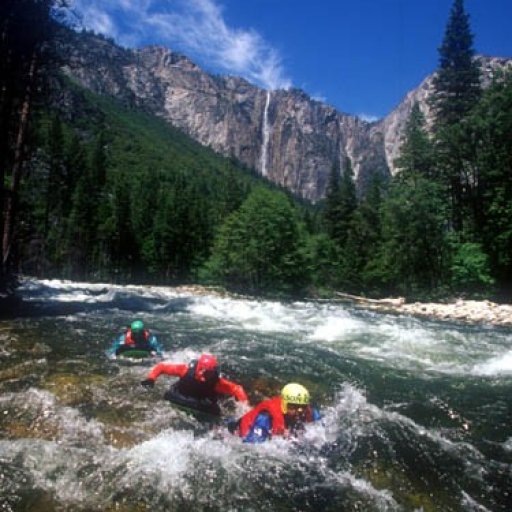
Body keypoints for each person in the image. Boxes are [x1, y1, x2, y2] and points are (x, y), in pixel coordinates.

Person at [140, 353, 248, 416]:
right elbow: (162, 367)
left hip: (204, 401)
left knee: (220, 398)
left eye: (211, 373)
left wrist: (245, 409)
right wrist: (151, 378)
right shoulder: (185, 370)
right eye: (207, 373)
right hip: (180, 395)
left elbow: (237, 389)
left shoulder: (216, 382)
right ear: (200, 369)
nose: (209, 376)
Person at [228, 383, 321, 443]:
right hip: (235, 431)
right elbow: (251, 448)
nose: (298, 411)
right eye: (292, 407)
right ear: (284, 404)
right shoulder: (264, 419)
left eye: (302, 407)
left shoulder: (307, 411)